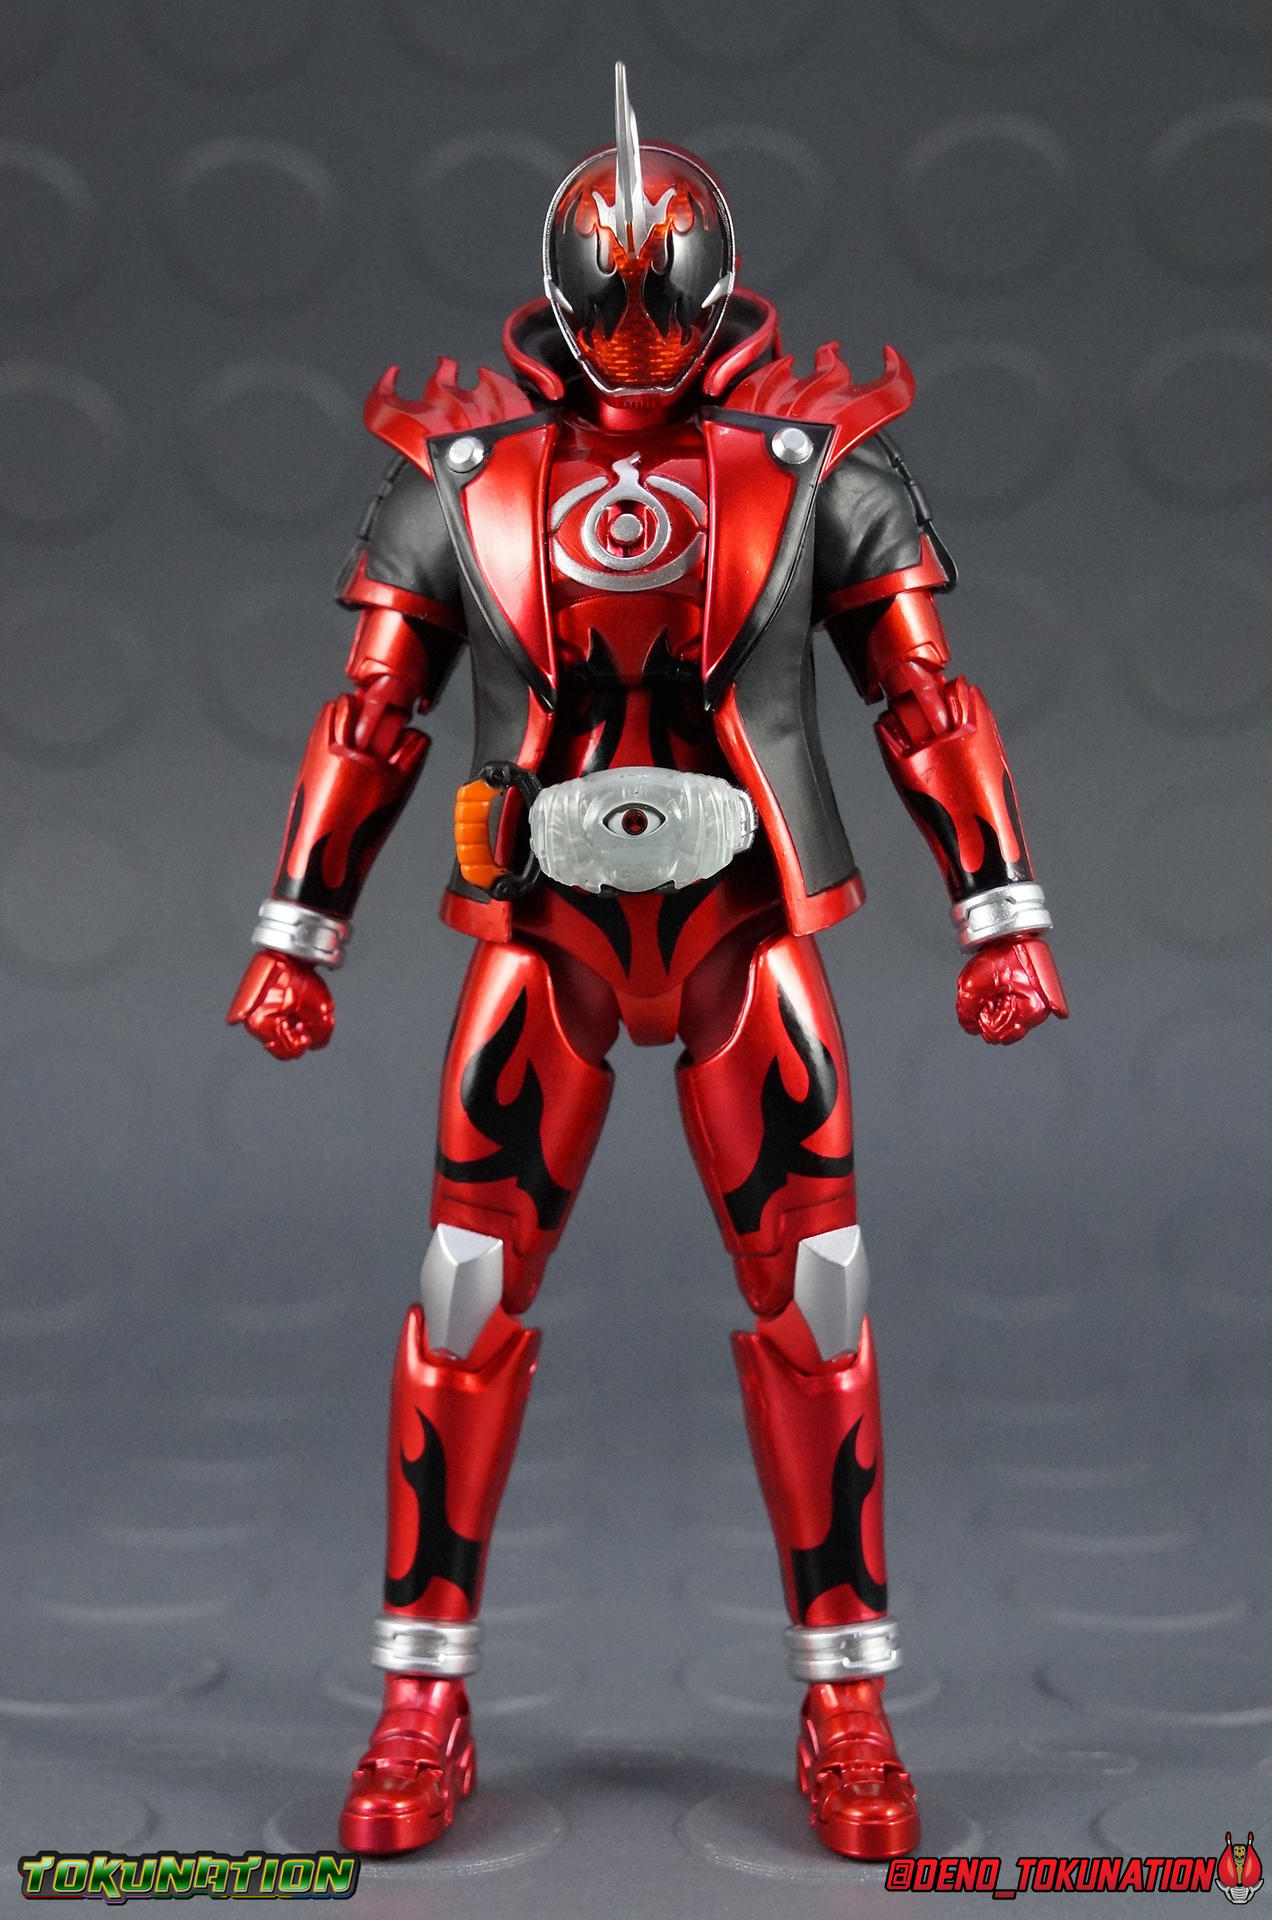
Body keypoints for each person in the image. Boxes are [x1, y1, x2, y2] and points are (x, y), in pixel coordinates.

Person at [228, 63, 1067, 1862]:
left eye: (657, 296)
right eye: (603, 298)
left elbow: (924, 701)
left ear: (715, 290)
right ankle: (423, 1694)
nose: (630, 331)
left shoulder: (814, 471)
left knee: (817, 1299)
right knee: (465, 1295)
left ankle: (845, 1698)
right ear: (554, 295)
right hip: (542, 938)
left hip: (746, 927)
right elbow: (372, 723)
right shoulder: (459, 481)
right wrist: (301, 931)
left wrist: (1000, 910)